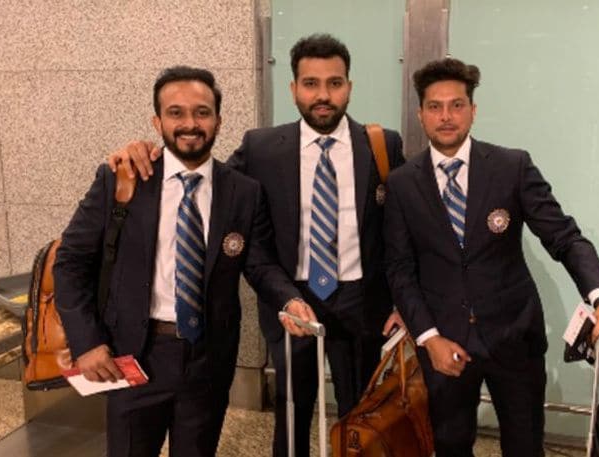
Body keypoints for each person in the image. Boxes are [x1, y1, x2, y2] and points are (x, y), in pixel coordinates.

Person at [106, 34, 406, 457]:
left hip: (362, 302)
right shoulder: (262, 147)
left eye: (334, 83)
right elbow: (204, 180)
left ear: (349, 87)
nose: (323, 95)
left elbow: (401, 227)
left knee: (362, 413)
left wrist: (403, 300)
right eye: (310, 83)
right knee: (291, 409)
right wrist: (143, 152)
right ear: (293, 89)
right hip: (291, 298)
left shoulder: (381, 145)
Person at [383, 57, 599, 457]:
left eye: (457, 105)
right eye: (435, 106)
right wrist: (429, 338)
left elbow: (565, 237)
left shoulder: (511, 167)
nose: (446, 116)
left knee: (524, 445)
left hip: (514, 338)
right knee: (449, 444)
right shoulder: (401, 184)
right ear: (421, 114)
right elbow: (399, 269)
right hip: (444, 342)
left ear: (473, 110)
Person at [54, 66, 303, 457]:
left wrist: (289, 299)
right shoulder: (123, 178)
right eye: (176, 113)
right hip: (132, 354)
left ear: (218, 119)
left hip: (208, 359)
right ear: (157, 121)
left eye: (202, 112)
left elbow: (259, 264)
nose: (190, 124)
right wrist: (87, 342)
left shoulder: (242, 192)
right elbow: (70, 262)